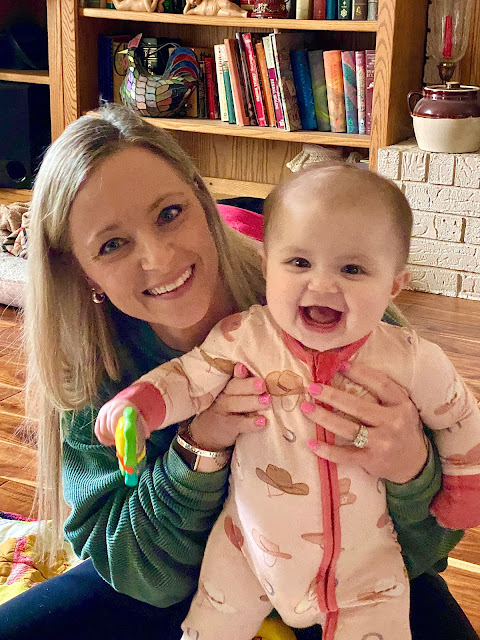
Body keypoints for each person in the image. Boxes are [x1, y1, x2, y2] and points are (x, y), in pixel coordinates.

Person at [0, 103, 476, 640]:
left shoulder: (344, 313)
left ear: (203, 202)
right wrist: (198, 448)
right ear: (80, 269)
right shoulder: (88, 368)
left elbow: (429, 550)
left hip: (352, 577)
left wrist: (413, 469)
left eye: (169, 213)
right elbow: (136, 573)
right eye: (112, 245)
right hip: (200, 582)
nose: (158, 257)